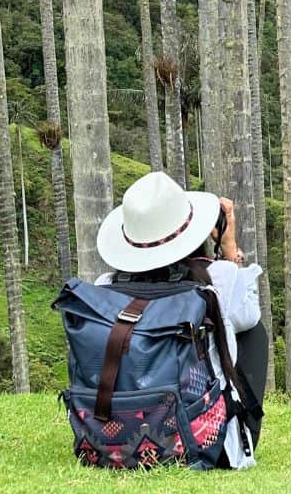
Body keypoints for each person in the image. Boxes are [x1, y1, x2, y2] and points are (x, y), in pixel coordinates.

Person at [94, 171, 266, 469]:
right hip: (195, 441)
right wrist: (229, 248)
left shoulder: (104, 287)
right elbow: (248, 316)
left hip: (114, 435)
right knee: (253, 331)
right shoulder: (217, 279)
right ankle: (233, 435)